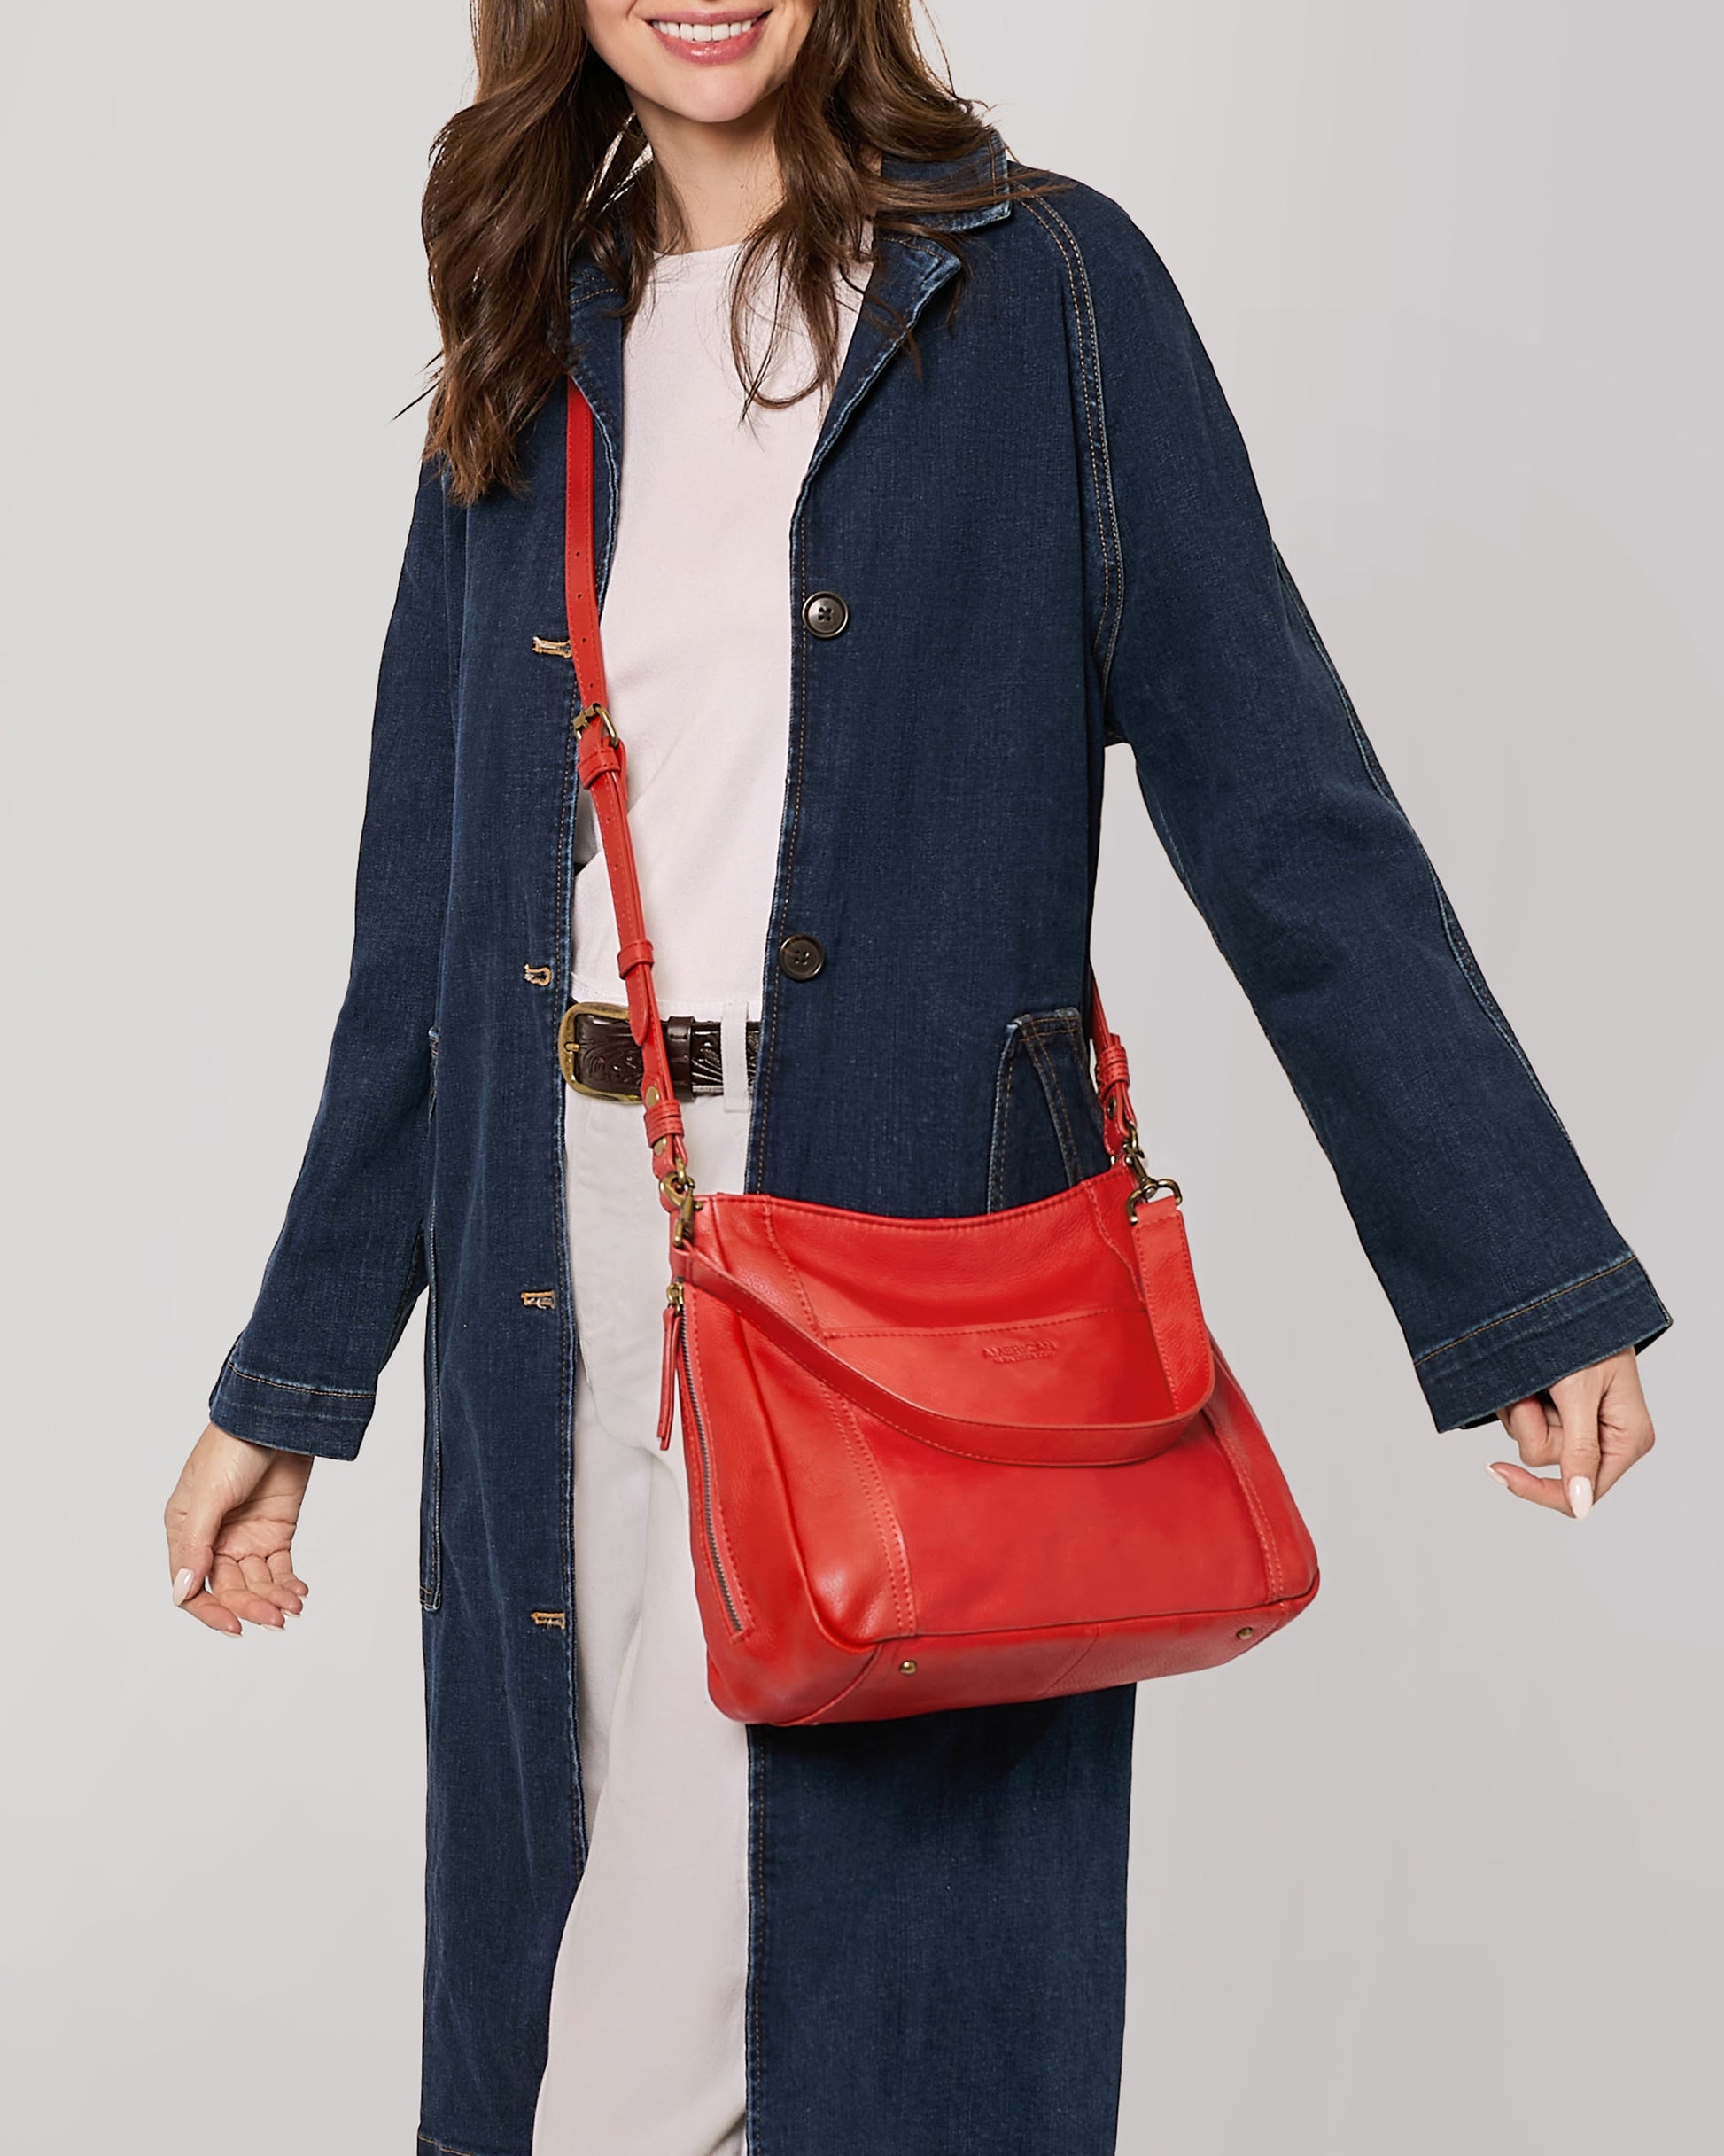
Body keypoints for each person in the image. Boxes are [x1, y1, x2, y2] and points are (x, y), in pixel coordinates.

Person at [161, 4, 1669, 2153]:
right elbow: (422, 926)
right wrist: (288, 1383)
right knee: (574, 1952)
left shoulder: (1042, 284)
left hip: (907, 1272)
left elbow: (1282, 803)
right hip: (554, 1257)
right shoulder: (536, 324)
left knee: (692, 2067)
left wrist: (1522, 1273)